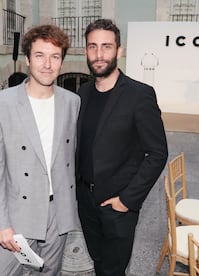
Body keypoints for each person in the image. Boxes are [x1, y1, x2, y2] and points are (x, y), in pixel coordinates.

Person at [0, 25, 81, 275]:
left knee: (50, 272)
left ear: (62, 61)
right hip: (19, 213)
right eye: (40, 55)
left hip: (58, 212)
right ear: (27, 59)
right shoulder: (0, 104)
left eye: (55, 56)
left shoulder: (72, 102)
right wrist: (2, 224)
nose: (47, 64)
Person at [75, 19, 168, 275]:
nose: (99, 54)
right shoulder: (82, 93)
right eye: (92, 46)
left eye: (106, 46)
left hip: (118, 206)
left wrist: (127, 200)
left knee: (113, 270)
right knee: (98, 262)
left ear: (119, 50)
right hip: (85, 201)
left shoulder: (140, 94)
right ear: (85, 51)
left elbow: (158, 153)